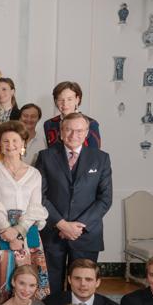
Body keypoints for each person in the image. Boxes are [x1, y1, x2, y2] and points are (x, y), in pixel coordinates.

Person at [36, 112, 112, 294]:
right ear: (61, 132)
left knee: (82, 286)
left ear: (86, 133)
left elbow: (105, 198)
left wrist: (77, 227)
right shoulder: (45, 156)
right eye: (68, 130)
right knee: (51, 287)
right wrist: (61, 224)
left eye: (79, 131)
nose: (73, 135)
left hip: (86, 234)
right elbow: (39, 196)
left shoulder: (101, 158)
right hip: (53, 233)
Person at [0, 121, 50, 301]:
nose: (10, 145)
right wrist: (6, 231)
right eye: (5, 141)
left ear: (23, 143)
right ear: (0, 144)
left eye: (15, 141)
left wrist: (18, 231)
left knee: (27, 280)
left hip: (26, 231)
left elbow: (35, 207)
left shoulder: (34, 173)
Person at [45, 81, 102, 148]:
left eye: (69, 99)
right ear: (55, 101)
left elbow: (95, 155)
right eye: (60, 99)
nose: (65, 103)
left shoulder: (91, 123)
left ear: (77, 100)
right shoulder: (49, 124)